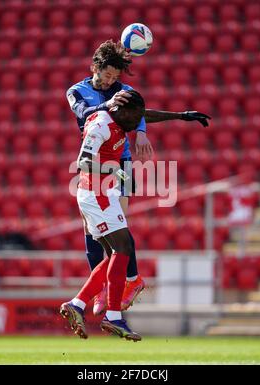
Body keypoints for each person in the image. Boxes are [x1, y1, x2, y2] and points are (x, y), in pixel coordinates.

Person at [66, 40, 211, 316]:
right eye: (106, 75)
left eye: (115, 77)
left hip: (123, 163)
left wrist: (178, 117)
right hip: (92, 161)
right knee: (92, 233)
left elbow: (138, 114)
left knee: (119, 229)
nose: (110, 81)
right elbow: (83, 113)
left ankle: (130, 281)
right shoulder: (76, 91)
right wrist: (107, 105)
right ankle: (101, 289)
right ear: (93, 68)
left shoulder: (124, 91)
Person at [60, 90, 146, 341]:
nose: (137, 122)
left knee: (115, 254)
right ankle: (113, 317)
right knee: (124, 247)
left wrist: (180, 116)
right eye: (134, 117)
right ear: (121, 112)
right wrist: (116, 170)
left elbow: (143, 116)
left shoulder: (119, 119)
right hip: (96, 195)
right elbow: (83, 162)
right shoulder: (101, 125)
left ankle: (77, 304)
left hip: (103, 193)